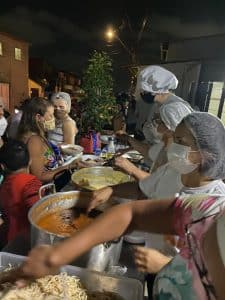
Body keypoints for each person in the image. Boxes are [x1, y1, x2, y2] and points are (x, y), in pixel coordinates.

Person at [12, 113, 225, 299]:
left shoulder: (216, 208)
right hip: (155, 273)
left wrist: (166, 265)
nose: (171, 144)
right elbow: (131, 212)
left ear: (203, 154)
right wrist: (55, 256)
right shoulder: (195, 194)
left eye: (179, 140)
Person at [90, 102, 192, 210]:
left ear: (170, 127)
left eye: (159, 121)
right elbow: (149, 151)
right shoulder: (165, 143)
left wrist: (131, 169)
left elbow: (158, 183)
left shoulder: (178, 156)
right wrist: (129, 140)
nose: (156, 124)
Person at [117, 65, 193, 161]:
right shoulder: (159, 105)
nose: (142, 93)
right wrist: (131, 148)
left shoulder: (170, 108)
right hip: (157, 159)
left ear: (157, 89)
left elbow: (180, 145)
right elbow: (156, 142)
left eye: (144, 91)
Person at [17, 97, 76, 191]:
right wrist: (69, 166)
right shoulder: (34, 141)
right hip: (41, 193)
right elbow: (40, 176)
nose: (53, 118)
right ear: (38, 118)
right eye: (51, 115)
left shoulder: (37, 135)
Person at [0, 139, 41, 246]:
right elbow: (38, 213)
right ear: (30, 161)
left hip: (9, 240)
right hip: (29, 241)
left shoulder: (4, 185)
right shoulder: (31, 183)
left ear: (2, 166)